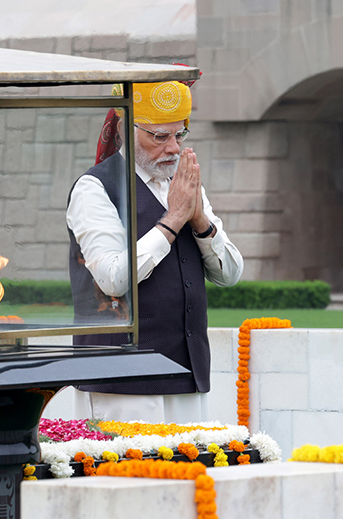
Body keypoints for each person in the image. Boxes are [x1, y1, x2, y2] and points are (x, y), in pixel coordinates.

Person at [66, 80, 243, 423]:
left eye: (180, 136)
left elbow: (230, 274)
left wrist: (199, 219)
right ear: (124, 128)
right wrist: (174, 219)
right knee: (126, 475)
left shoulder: (184, 184)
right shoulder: (94, 188)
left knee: (188, 472)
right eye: (159, 137)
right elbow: (113, 279)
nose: (173, 149)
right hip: (120, 379)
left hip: (185, 371)